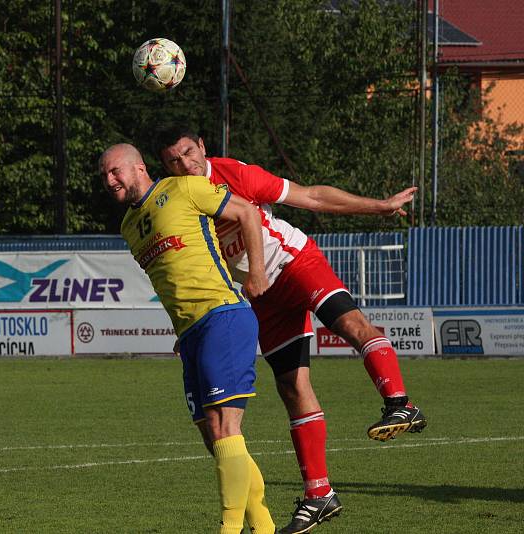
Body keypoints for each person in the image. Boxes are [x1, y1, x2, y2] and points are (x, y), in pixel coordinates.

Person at [153, 125, 427, 534]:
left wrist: (379, 206)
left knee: (352, 324)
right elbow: (187, 266)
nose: (185, 164)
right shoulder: (176, 197)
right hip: (260, 296)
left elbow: (311, 195)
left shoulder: (233, 175)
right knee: (292, 388)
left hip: (294, 263)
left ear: (203, 148)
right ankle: (320, 495)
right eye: (174, 160)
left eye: (189, 153)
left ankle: (399, 402)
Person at [99, 143, 276, 534]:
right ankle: (263, 525)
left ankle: (229, 528)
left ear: (139, 167)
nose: (110, 180)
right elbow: (170, 279)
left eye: (116, 171)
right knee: (214, 436)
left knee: (224, 425)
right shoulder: (129, 226)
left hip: (223, 315)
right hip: (191, 332)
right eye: (105, 175)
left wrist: (257, 273)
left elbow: (247, 211)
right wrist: (182, 330)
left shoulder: (183, 188)